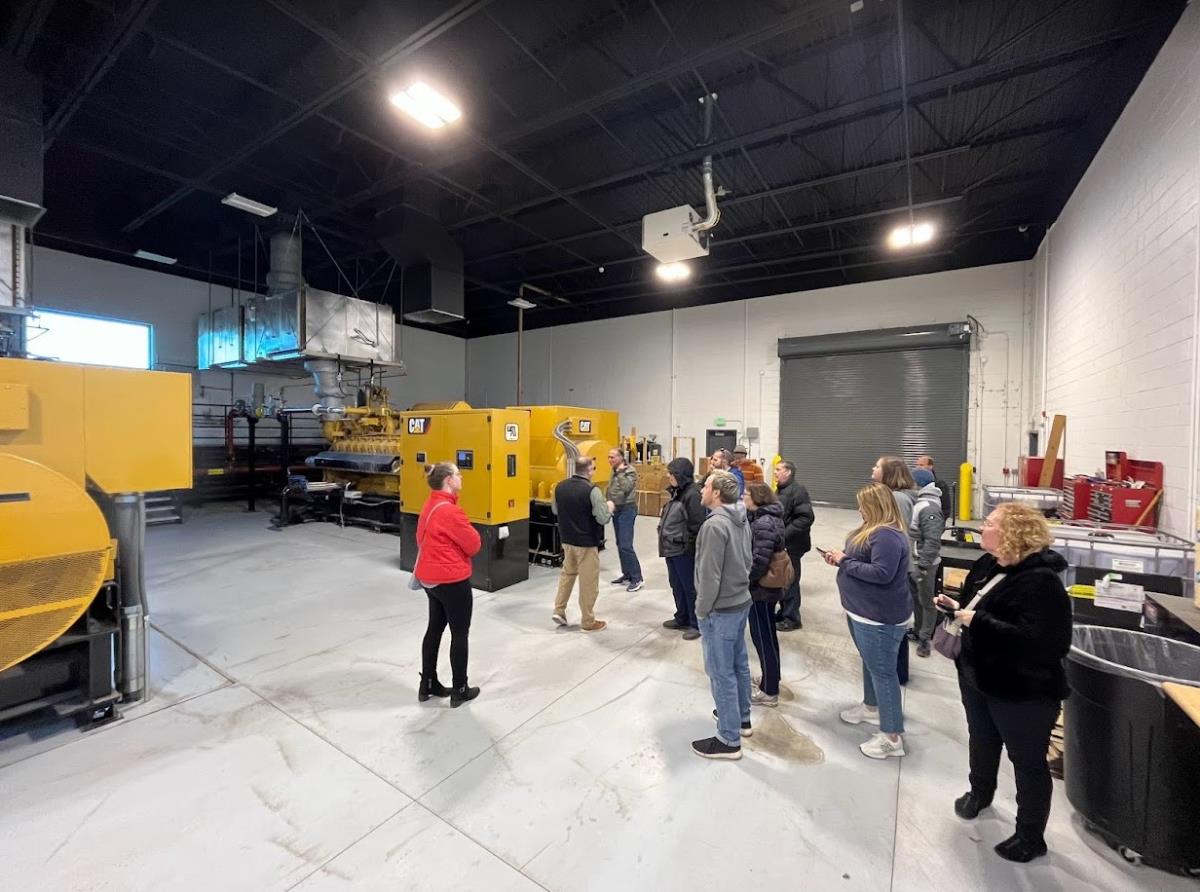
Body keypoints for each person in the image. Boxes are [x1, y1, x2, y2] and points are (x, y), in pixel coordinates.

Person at [934, 503, 1071, 864]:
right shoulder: (988, 564)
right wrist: (956, 606)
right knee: (981, 738)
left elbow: (1046, 643)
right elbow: (974, 605)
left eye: (991, 524)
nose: (983, 528)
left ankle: (1030, 835)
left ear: (1013, 535)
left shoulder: (1041, 583)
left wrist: (976, 620)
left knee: (1027, 761)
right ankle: (980, 793)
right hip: (977, 675)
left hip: (1020, 690)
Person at [824, 482, 910, 760]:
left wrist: (844, 562)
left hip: (879, 617)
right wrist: (842, 560)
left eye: (863, 505)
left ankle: (892, 736)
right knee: (872, 665)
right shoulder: (873, 530)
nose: (859, 509)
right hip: (862, 611)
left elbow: (882, 573)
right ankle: (871, 707)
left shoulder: (886, 535)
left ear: (876, 506)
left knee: (884, 673)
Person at [691, 470, 753, 760]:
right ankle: (741, 719)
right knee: (739, 664)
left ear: (716, 492)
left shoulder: (715, 525)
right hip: (741, 602)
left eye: (705, 486)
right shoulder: (741, 516)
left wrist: (702, 610)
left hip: (721, 609)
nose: (701, 490)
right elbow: (748, 560)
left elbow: (709, 576)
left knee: (721, 672)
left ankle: (728, 740)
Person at [415, 462, 482, 707]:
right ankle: (460, 689)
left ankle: (428, 683)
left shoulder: (430, 504)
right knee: (460, 633)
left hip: (430, 580)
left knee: (434, 628)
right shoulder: (452, 512)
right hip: (452, 580)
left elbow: (420, 537)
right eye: (457, 474)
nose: (461, 477)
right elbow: (474, 545)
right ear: (448, 480)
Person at [551, 457, 611, 632]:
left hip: (567, 540)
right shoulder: (593, 491)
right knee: (588, 582)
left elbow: (555, 510)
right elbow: (602, 518)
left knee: (567, 574)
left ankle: (559, 609)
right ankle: (588, 621)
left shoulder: (559, 486)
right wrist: (609, 508)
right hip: (586, 543)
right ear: (590, 470)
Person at [744, 482, 785, 707]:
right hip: (764, 589)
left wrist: (746, 581)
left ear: (757, 498)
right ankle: (771, 678)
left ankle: (770, 691)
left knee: (763, 638)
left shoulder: (763, 523)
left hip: (761, 590)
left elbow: (759, 561)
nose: (743, 497)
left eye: (746, 494)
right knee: (767, 635)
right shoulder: (765, 519)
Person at [658, 458, 705, 640]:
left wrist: (689, 549)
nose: (668, 476)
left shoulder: (692, 495)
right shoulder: (678, 492)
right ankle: (682, 617)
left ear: (681, 475)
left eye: (672, 473)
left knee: (690, 588)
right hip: (672, 549)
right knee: (677, 585)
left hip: (684, 551)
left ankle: (696, 623)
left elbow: (697, 525)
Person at [908, 468, 945, 657]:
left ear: (918, 483)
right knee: (917, 599)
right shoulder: (921, 502)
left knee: (927, 601)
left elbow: (932, 539)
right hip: (916, 560)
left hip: (925, 563)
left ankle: (925, 639)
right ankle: (917, 630)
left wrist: (922, 565)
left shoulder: (928, 506)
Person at [773, 460, 814, 632]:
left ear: (788, 472)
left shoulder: (798, 491)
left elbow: (806, 518)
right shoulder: (781, 490)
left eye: (778, 469)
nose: (775, 472)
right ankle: (784, 612)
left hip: (793, 545)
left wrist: (784, 534)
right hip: (783, 545)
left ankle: (792, 618)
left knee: (790, 581)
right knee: (783, 580)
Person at [605, 448, 643, 592]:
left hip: (627, 509)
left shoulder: (629, 471)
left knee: (626, 545)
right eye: (609, 457)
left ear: (621, 457)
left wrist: (620, 472)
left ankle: (637, 578)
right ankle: (626, 574)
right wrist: (608, 501)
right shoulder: (613, 471)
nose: (610, 460)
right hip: (617, 509)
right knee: (620, 543)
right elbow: (611, 489)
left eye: (613, 457)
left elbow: (627, 487)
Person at [871, 455, 918, 527]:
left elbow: (898, 528)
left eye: (877, 467)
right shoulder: (888, 494)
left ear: (888, 472)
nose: (873, 468)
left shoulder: (898, 498)